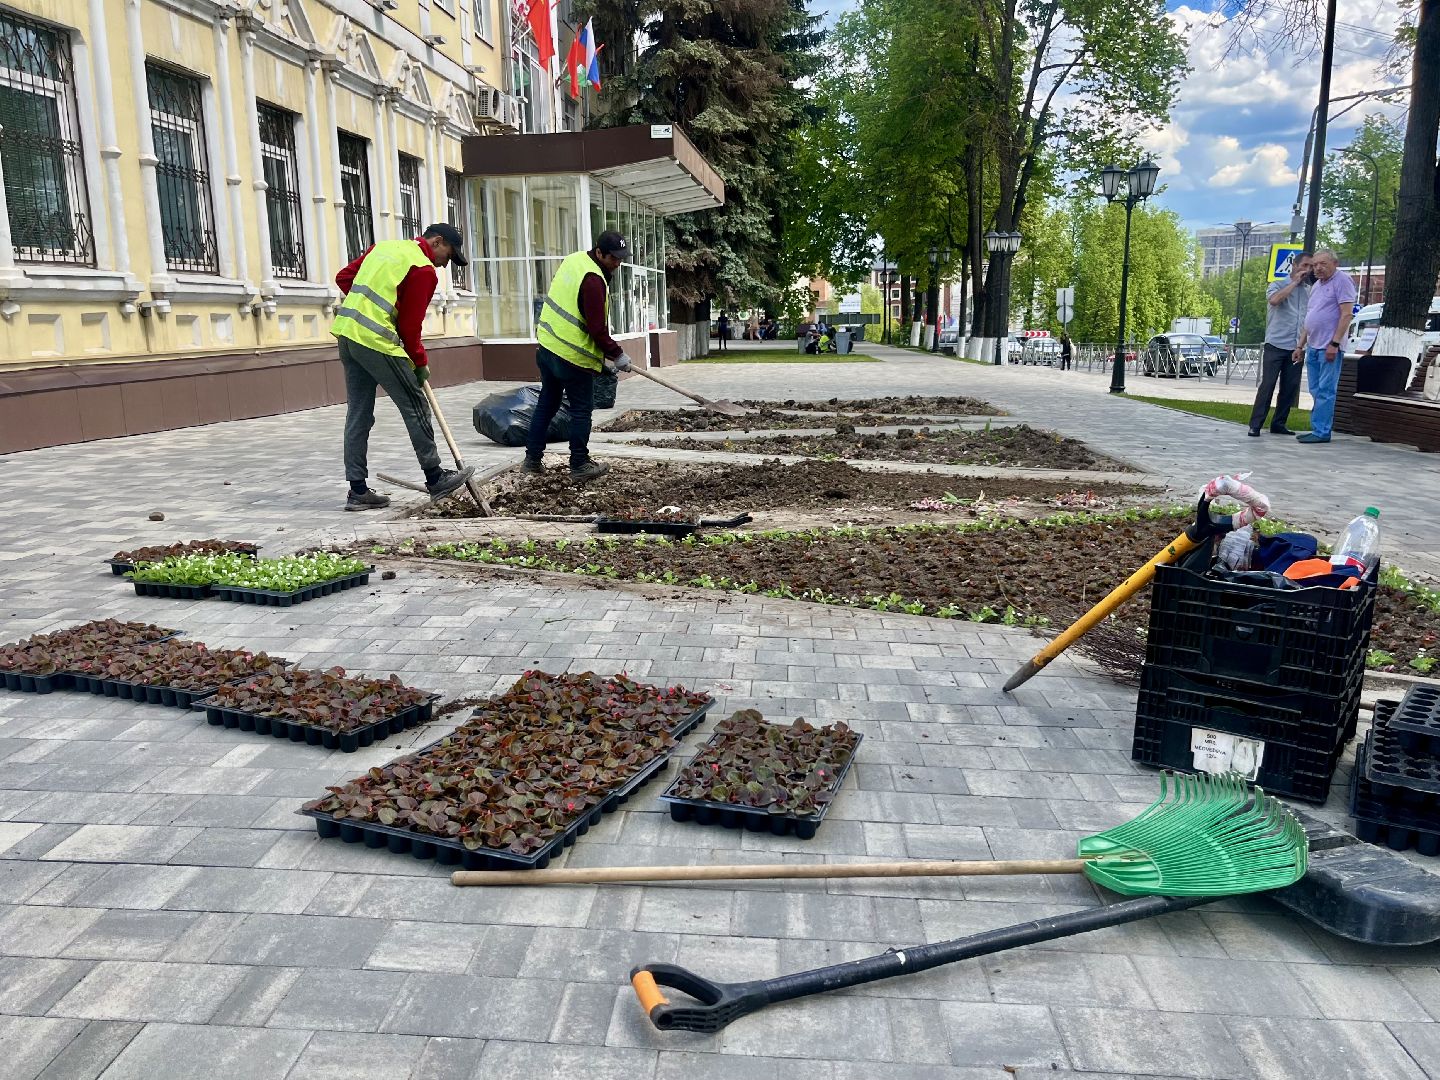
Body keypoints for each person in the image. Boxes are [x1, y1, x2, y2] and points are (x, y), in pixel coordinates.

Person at [332, 223, 473, 511]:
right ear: (436, 241)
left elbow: (344, 277)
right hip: (376, 342)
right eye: (449, 254)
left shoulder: (384, 248)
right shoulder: (422, 270)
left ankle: (357, 490)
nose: (447, 263)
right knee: (416, 406)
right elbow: (410, 327)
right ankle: (435, 478)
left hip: (348, 335)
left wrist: (369, 309)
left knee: (359, 413)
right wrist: (419, 362)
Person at [524, 230, 634, 480]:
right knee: (582, 410)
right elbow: (596, 328)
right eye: (614, 258)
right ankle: (580, 464)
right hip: (571, 357)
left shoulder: (574, 260)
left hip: (548, 347)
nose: (618, 263)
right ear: (599, 253)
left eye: (621, 258)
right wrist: (617, 354)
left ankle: (532, 460)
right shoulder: (594, 280)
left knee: (547, 403)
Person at [1294, 249, 1357, 444]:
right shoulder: (1317, 286)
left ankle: (1321, 431)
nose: (1317, 268)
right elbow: (1310, 318)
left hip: (1329, 346)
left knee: (1326, 390)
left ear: (1334, 263)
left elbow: (1346, 314)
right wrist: (1300, 346)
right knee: (1315, 389)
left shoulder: (1342, 281)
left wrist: (1335, 343)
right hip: (1313, 345)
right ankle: (1317, 427)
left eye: (1322, 264)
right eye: (1314, 265)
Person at [1248, 252, 1312, 437]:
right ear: (1295, 265)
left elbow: (1309, 319)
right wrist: (1294, 283)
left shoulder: (1309, 291)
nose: (1307, 270)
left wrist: (1302, 345)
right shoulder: (1278, 284)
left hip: (1297, 347)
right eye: (1305, 266)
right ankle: (1255, 424)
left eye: (1310, 267)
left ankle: (1279, 424)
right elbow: (1274, 300)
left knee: (1290, 387)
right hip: (1276, 344)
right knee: (1267, 385)